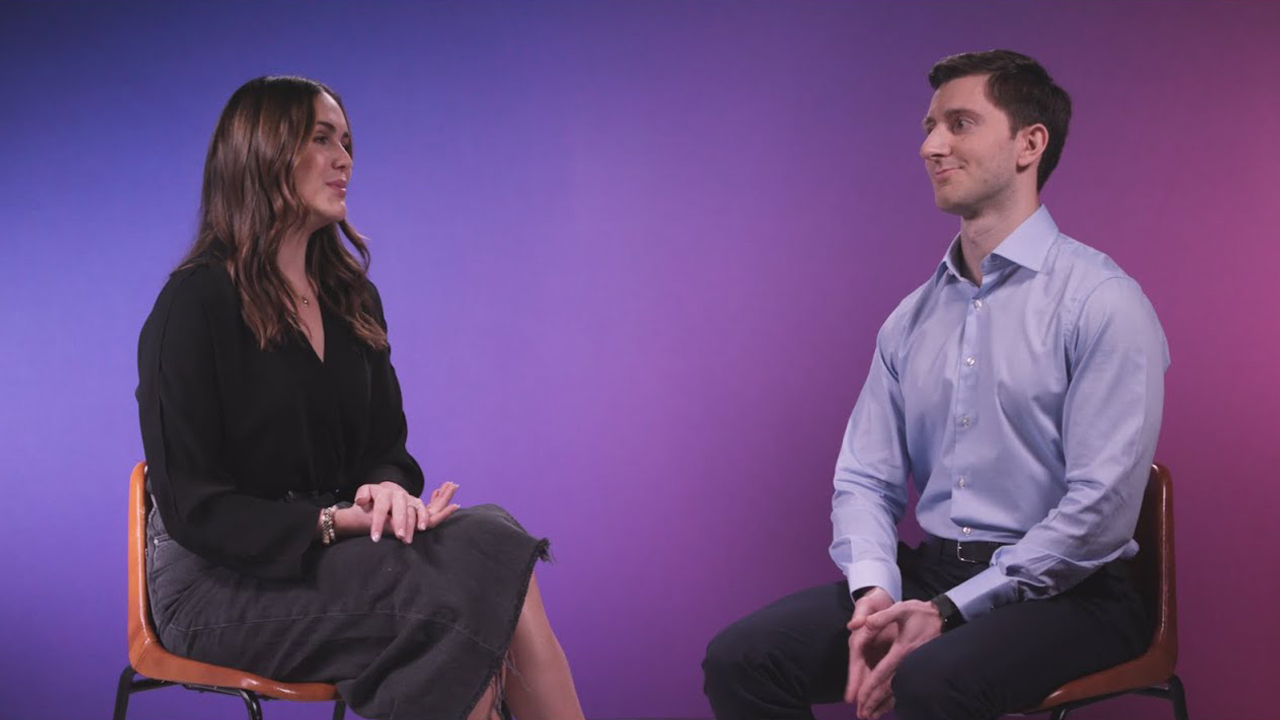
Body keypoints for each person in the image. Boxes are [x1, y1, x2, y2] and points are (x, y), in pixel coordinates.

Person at [702, 50, 1169, 720]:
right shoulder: (910, 319)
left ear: (1028, 144)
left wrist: (951, 612)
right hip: (934, 574)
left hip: (1073, 592)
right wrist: (875, 594)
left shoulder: (1103, 302)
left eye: (959, 123)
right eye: (928, 126)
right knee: (743, 658)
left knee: (931, 679)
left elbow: (1098, 511)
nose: (930, 146)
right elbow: (865, 478)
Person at [136, 76, 585, 720]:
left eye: (346, 141)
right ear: (260, 151)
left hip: (331, 559)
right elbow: (193, 507)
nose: (344, 158)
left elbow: (386, 448)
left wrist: (383, 490)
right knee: (460, 589)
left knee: (489, 536)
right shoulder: (193, 305)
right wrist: (329, 521)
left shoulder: (352, 301)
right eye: (321, 140)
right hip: (217, 585)